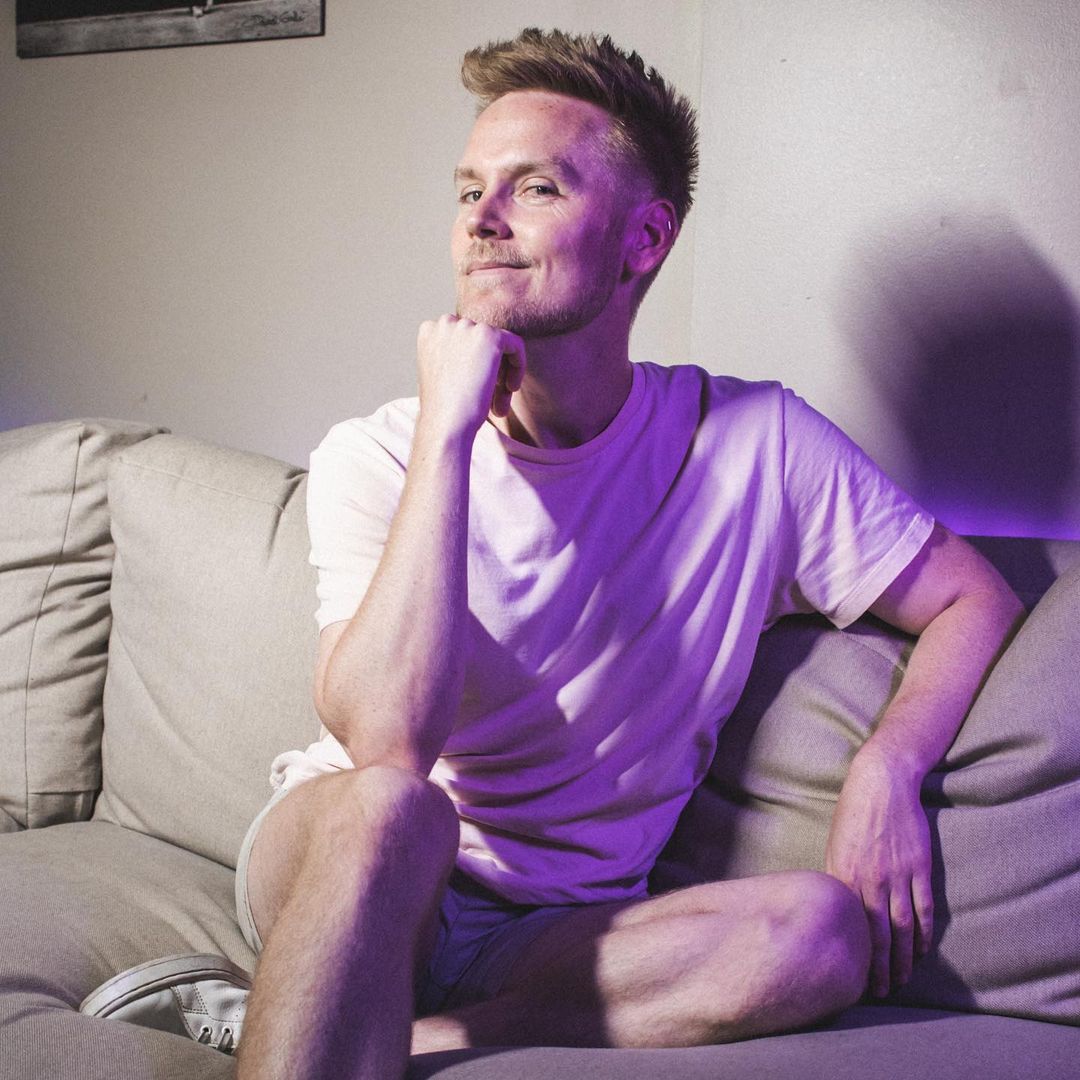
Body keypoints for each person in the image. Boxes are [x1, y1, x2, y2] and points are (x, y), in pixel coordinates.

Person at [232, 27, 1024, 1080]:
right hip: (352, 865)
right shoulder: (379, 455)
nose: (482, 219)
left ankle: (385, 1037)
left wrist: (889, 766)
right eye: (468, 190)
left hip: (551, 933)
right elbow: (388, 742)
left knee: (822, 934)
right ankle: (340, 1015)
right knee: (395, 810)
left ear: (644, 239)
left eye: (535, 188)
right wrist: (447, 435)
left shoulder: (759, 445)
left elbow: (972, 598)